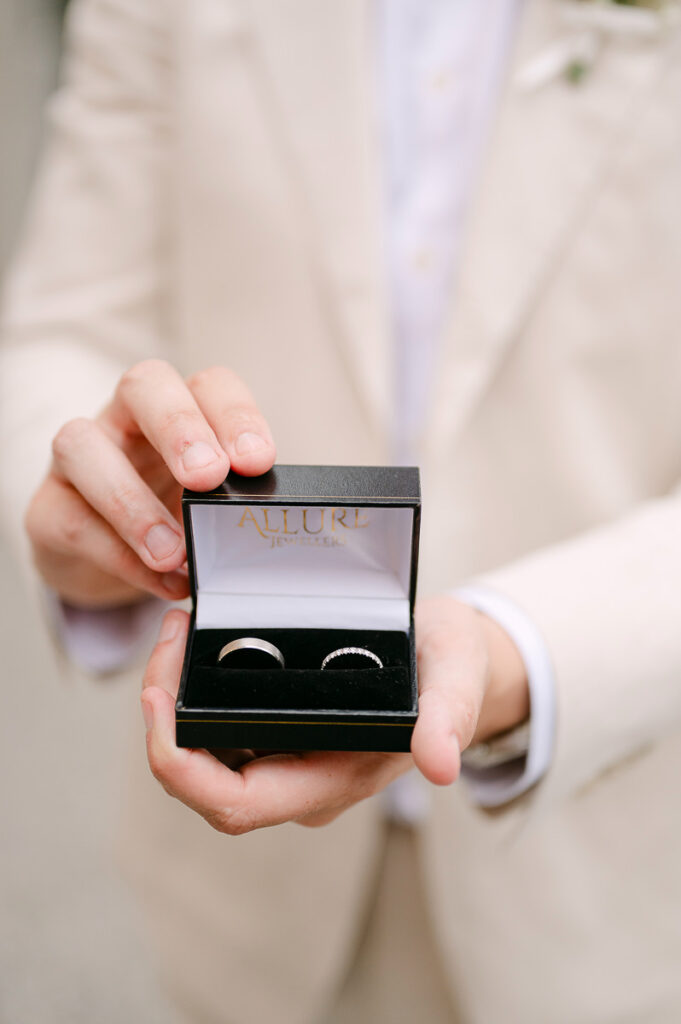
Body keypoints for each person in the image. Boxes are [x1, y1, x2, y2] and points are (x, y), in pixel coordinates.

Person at [2, 0, 681, 1021]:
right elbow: (68, 319)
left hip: (610, 865)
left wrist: (514, 652)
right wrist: (97, 523)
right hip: (247, 904)